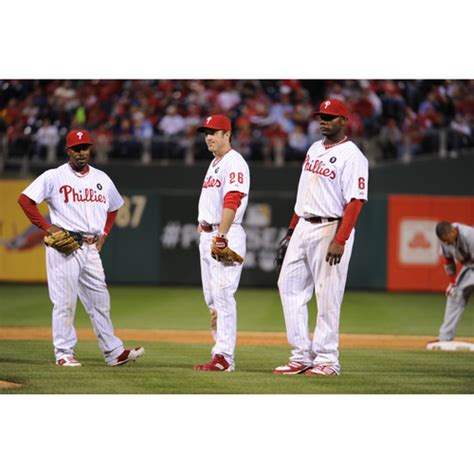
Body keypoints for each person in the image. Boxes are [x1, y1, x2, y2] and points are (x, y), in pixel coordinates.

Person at [18, 129, 145, 367]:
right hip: (65, 246)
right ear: (68, 151)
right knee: (64, 302)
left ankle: (113, 352)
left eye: (84, 148)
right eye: (76, 149)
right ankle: (64, 353)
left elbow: (115, 206)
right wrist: (46, 227)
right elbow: (25, 200)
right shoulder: (53, 176)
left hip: (91, 248)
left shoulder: (101, 178)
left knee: (100, 302)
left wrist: (104, 233)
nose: (81, 153)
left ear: (90, 149)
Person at [274, 98, 368, 376]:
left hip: (331, 227)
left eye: (330, 116)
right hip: (303, 223)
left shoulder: (354, 156)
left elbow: (356, 201)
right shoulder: (314, 148)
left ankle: (327, 359)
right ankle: (302, 355)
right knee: (288, 286)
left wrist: (340, 239)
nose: (323, 120)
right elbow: (303, 195)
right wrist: (291, 231)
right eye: (321, 116)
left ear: (344, 121)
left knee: (327, 295)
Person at [193, 115, 250, 372]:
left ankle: (225, 357)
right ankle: (219, 353)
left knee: (224, 295)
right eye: (206, 132)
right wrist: (203, 223)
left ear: (228, 134)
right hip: (210, 233)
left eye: (214, 132)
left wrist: (221, 235)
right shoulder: (215, 162)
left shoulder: (234, 162)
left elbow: (233, 198)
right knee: (213, 300)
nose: (209, 136)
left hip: (224, 233)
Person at [426, 221, 474, 349]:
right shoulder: (445, 239)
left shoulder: (470, 235)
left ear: (453, 231)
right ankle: (445, 338)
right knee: (455, 295)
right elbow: (448, 260)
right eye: (444, 241)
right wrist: (453, 283)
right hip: (470, 268)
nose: (446, 243)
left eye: (447, 240)